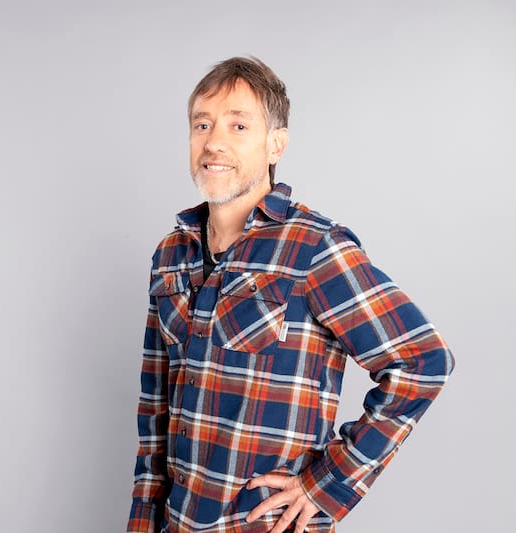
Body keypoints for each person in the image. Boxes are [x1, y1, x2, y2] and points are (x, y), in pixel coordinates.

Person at [127, 56, 454, 533]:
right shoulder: (170, 254)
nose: (214, 142)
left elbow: (423, 360)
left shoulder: (315, 248)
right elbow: (154, 414)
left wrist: (325, 485)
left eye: (239, 125)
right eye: (202, 124)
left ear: (275, 144)